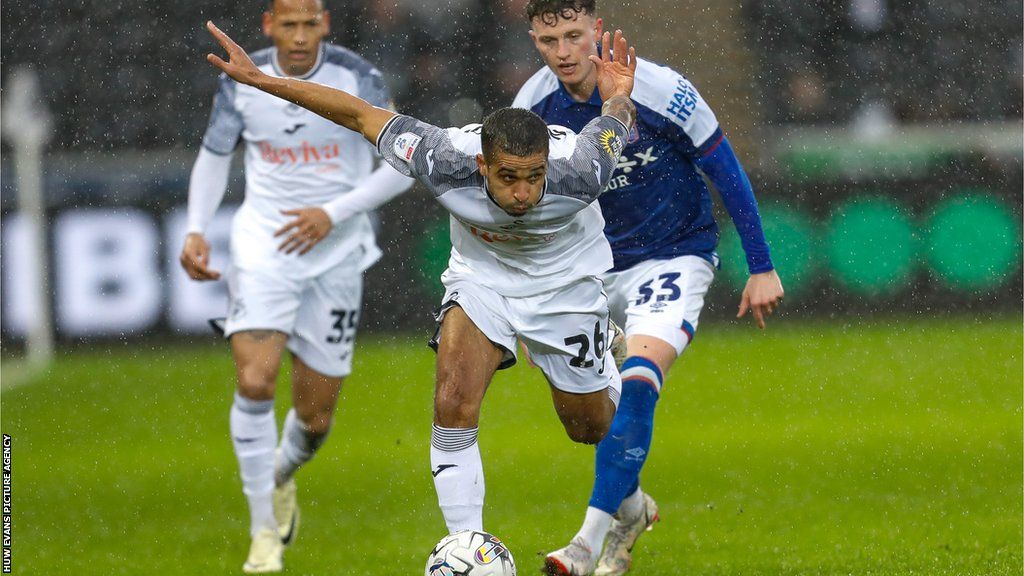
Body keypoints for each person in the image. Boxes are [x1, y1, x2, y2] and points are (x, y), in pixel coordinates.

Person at [203, 20, 640, 541]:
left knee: (587, 428)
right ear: (482, 165)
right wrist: (263, 82)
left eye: (534, 177)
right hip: (483, 281)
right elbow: (358, 112)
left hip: (566, 288)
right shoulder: (442, 156)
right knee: (453, 399)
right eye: (508, 177)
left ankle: (610, 376)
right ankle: (464, 550)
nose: (523, 193)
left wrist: (620, 95)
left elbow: (613, 115)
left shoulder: (583, 168)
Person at [513, 2, 785, 575]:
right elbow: (524, 207)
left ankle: (586, 543)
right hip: (586, 268)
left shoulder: (662, 90)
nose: (563, 52)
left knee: (639, 383)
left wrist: (760, 265)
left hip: (673, 256)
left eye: (573, 36)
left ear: (596, 28)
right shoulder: (531, 107)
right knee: (585, 420)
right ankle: (631, 509)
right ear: (533, 38)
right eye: (547, 40)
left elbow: (725, 168)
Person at [178, 1, 413, 572]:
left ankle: (279, 474)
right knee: (255, 380)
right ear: (268, 26)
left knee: (315, 420)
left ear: (326, 24)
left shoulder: (358, 77)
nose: (301, 36)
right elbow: (214, 156)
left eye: (311, 24)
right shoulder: (241, 76)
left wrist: (333, 212)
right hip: (264, 248)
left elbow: (402, 164)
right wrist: (195, 229)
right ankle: (262, 533)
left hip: (336, 256)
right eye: (289, 24)